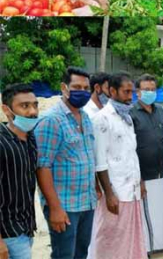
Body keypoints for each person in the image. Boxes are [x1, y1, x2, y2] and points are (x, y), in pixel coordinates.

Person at [34, 67, 98, 259]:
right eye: (77, 86)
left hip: (86, 202)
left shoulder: (85, 118)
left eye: (86, 88)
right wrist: (55, 208)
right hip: (64, 205)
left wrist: (95, 187)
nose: (83, 92)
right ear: (64, 88)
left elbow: (87, 157)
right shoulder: (51, 121)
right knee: (64, 255)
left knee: (81, 253)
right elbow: (42, 166)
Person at [89, 72, 147, 259]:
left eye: (132, 92)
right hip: (116, 193)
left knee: (129, 239)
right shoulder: (102, 119)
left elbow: (132, 154)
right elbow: (100, 161)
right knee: (109, 238)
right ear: (112, 91)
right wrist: (109, 194)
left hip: (132, 189)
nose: (130, 97)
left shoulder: (127, 118)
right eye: (126, 92)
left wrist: (141, 181)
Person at [129, 74, 163, 254]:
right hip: (143, 173)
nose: (150, 92)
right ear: (137, 92)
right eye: (146, 89)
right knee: (145, 213)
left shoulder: (160, 111)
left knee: (161, 210)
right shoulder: (131, 113)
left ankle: (162, 244)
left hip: (160, 170)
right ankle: (146, 248)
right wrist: (137, 176)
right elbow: (129, 147)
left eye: (153, 89)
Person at [0, 84, 38, 259]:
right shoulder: (2, 144)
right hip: (7, 233)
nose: (32, 111)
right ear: (6, 110)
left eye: (35, 105)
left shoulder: (30, 138)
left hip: (26, 228)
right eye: (24, 106)